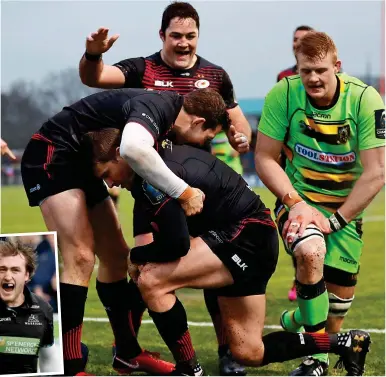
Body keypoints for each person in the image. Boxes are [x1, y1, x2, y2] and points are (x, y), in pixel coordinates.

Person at [89, 134, 371, 377]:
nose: (111, 184)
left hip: (244, 238)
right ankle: (345, 342)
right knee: (249, 351)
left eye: (106, 174)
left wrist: (135, 255)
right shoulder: (156, 163)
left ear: (120, 154)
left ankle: (189, 369)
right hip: (251, 239)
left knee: (151, 279)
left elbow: (176, 245)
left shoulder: (154, 173)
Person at [79, 2, 251, 374]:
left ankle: (225, 352)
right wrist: (93, 54)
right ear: (162, 36)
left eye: (190, 36)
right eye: (176, 35)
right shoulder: (143, 69)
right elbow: (94, 78)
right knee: (142, 268)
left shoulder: (215, 75)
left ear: (198, 36)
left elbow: (236, 121)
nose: (184, 43)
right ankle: (128, 348)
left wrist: (241, 138)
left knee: (211, 276)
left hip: (199, 189)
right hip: (151, 191)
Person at [20, 87, 234, 376]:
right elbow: (133, 149)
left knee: (118, 257)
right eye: (208, 137)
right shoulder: (160, 106)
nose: (205, 143)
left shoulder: (165, 114)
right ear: (197, 122)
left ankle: (127, 353)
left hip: (85, 160)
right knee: (80, 257)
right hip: (54, 151)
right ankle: (71, 367)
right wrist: (184, 193)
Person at [255, 31, 385, 376]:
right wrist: (295, 203)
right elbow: (264, 158)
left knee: (335, 310)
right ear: (297, 68)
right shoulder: (283, 94)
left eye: (320, 71)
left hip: (345, 210)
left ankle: (294, 319)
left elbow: (376, 173)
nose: (312, 78)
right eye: (305, 70)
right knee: (311, 252)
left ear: (336, 67)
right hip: (298, 201)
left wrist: (338, 220)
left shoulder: (365, 100)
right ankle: (317, 362)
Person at [276, 25, 314, 302]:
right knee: (296, 223)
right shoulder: (284, 78)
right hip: (290, 159)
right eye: (295, 40)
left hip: (317, 159)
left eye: (304, 40)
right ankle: (298, 278)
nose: (297, 43)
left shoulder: (326, 75)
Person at [0, 238, 54, 375]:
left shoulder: (43, 309)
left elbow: (48, 358)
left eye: (15, 270)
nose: (7, 276)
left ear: (27, 275)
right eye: (2, 269)